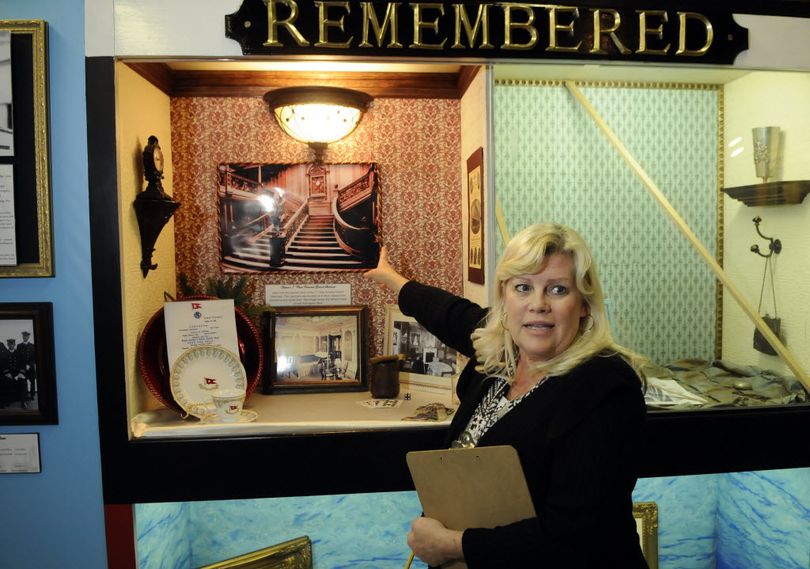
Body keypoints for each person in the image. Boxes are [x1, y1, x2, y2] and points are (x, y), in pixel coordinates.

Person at [364, 223, 648, 568]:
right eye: (523, 287)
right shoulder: (501, 356)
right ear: (504, 296)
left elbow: (576, 535)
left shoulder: (606, 387)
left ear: (584, 304)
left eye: (558, 289)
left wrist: (456, 545)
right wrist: (392, 279)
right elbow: (449, 313)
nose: (537, 304)